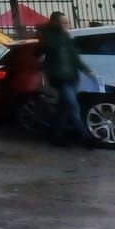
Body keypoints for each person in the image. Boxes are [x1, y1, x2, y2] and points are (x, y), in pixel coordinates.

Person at [38, 11, 91, 146]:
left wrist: (87, 70)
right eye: (64, 23)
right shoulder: (50, 37)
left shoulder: (66, 38)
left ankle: (55, 136)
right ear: (56, 23)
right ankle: (86, 138)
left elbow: (74, 57)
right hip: (60, 78)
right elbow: (46, 50)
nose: (68, 25)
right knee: (73, 107)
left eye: (68, 22)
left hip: (72, 77)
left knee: (63, 109)